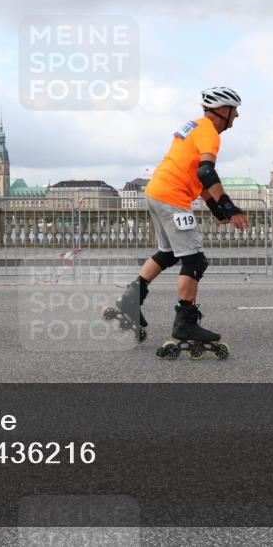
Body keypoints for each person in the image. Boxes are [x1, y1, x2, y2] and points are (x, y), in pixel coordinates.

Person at [106, 86, 250, 358]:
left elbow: (200, 179)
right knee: (195, 261)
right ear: (223, 110)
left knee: (169, 252)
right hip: (172, 197)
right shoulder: (209, 131)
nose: (237, 116)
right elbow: (207, 171)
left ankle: (130, 300)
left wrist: (218, 210)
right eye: (234, 110)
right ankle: (185, 323)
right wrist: (230, 208)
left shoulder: (194, 126)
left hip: (156, 191)